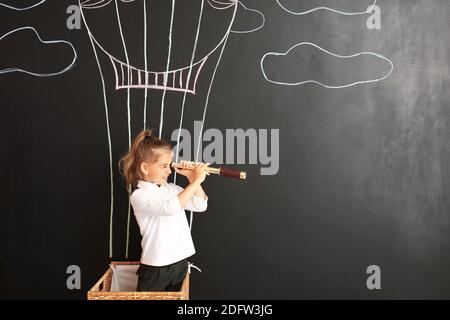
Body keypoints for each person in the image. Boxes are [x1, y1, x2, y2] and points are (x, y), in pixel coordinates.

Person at [118, 129, 209, 291]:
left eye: (169, 166)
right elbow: (170, 207)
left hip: (180, 263)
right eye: (164, 166)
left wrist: (192, 178)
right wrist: (195, 181)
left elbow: (200, 205)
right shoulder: (139, 195)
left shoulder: (172, 189)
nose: (169, 171)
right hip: (156, 267)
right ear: (145, 168)